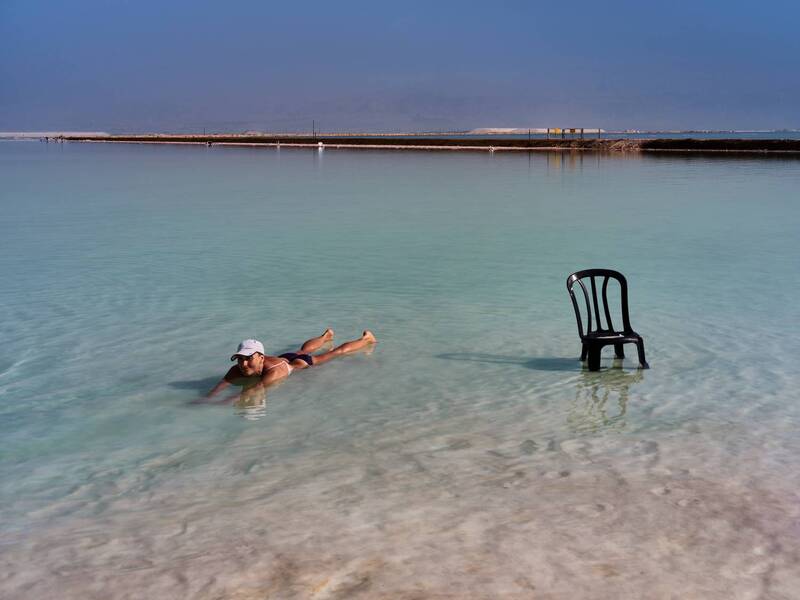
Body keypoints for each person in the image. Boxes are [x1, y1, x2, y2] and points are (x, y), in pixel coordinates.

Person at [206, 328, 377, 398]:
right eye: (241, 358)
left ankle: (367, 339)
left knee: (334, 353)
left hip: (299, 364)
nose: (243, 364)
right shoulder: (239, 367)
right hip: (283, 358)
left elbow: (254, 390)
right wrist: (208, 398)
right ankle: (326, 336)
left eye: (249, 358)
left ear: (260, 358)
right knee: (303, 348)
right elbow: (221, 385)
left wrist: (226, 402)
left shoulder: (272, 371)